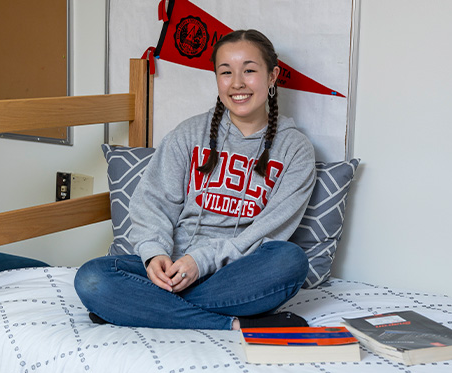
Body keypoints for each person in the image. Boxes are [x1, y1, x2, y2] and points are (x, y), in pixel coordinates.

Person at [74, 29, 316, 330]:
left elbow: (268, 233)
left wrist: (201, 262)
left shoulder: (295, 149)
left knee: (290, 260)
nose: (237, 83)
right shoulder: (188, 134)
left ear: (272, 76)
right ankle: (233, 324)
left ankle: (138, 307)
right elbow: (153, 203)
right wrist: (155, 256)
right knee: (92, 278)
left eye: (249, 71)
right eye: (226, 72)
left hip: (238, 274)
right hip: (172, 267)